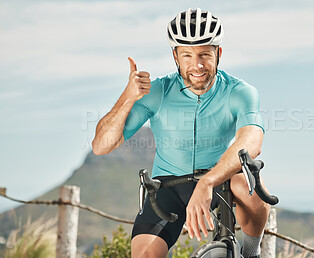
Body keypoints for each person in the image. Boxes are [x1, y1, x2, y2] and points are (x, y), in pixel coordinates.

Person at [92, 8, 271, 258]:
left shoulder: (239, 91)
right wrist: (127, 98)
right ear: (175, 56)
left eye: (204, 54)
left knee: (248, 179)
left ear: (218, 53)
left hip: (220, 180)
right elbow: (101, 146)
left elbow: (251, 141)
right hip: (169, 186)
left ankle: (252, 253)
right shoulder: (158, 92)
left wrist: (209, 181)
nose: (196, 65)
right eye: (187, 55)